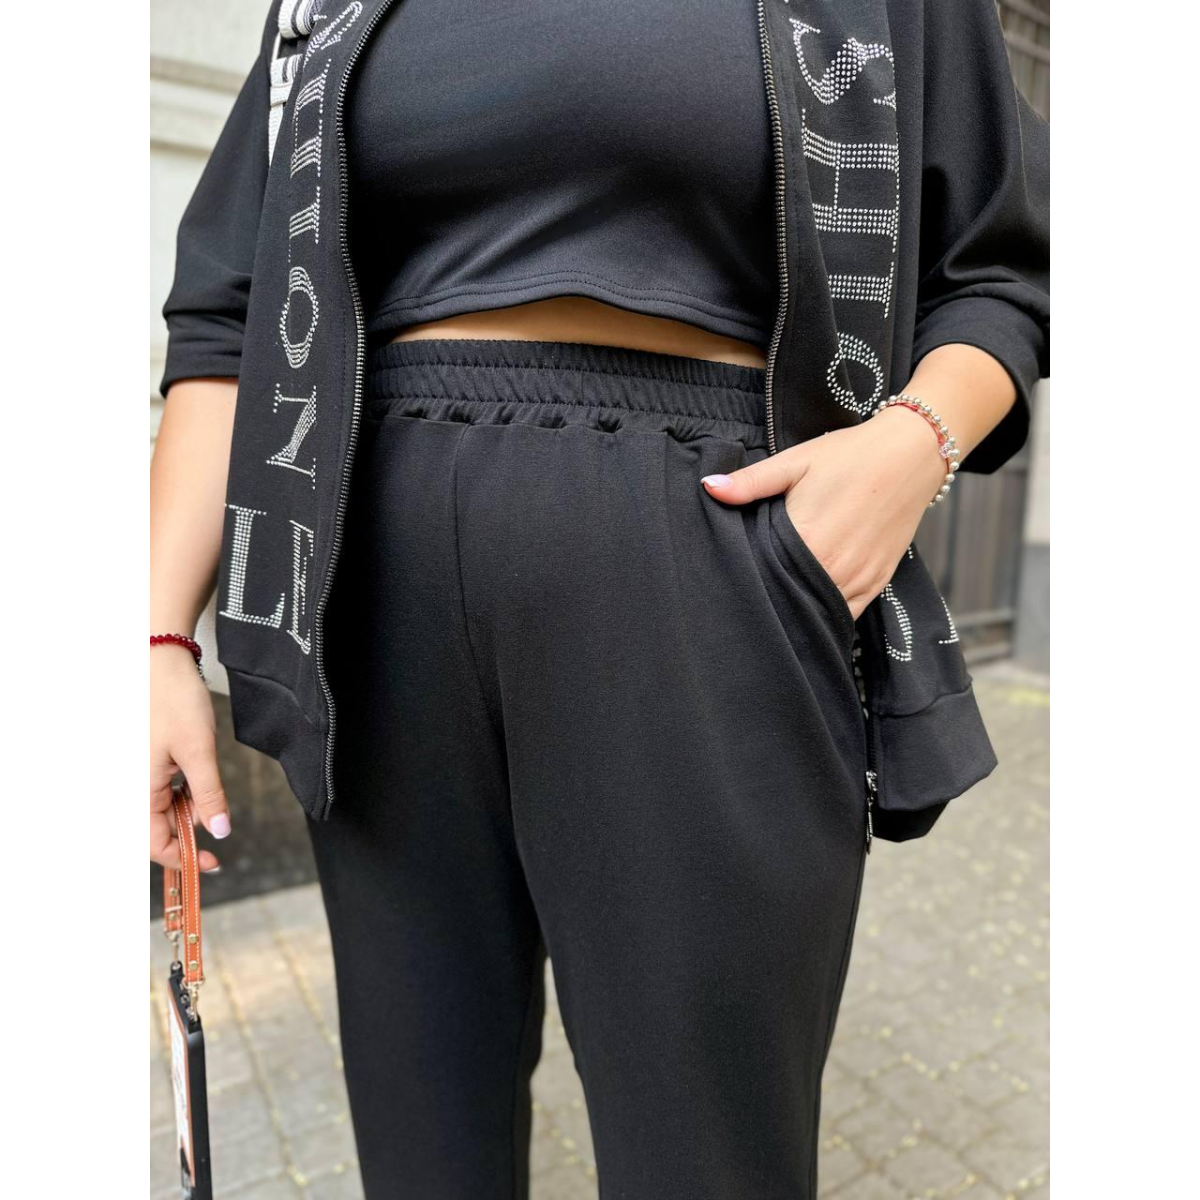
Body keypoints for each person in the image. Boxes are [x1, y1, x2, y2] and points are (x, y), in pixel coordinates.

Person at [150, 1, 1049, 1195]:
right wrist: (157, 635)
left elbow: (1000, 269)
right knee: (421, 1150)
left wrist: (913, 441)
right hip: (369, 598)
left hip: (707, 559)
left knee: (707, 1157)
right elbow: (230, 311)